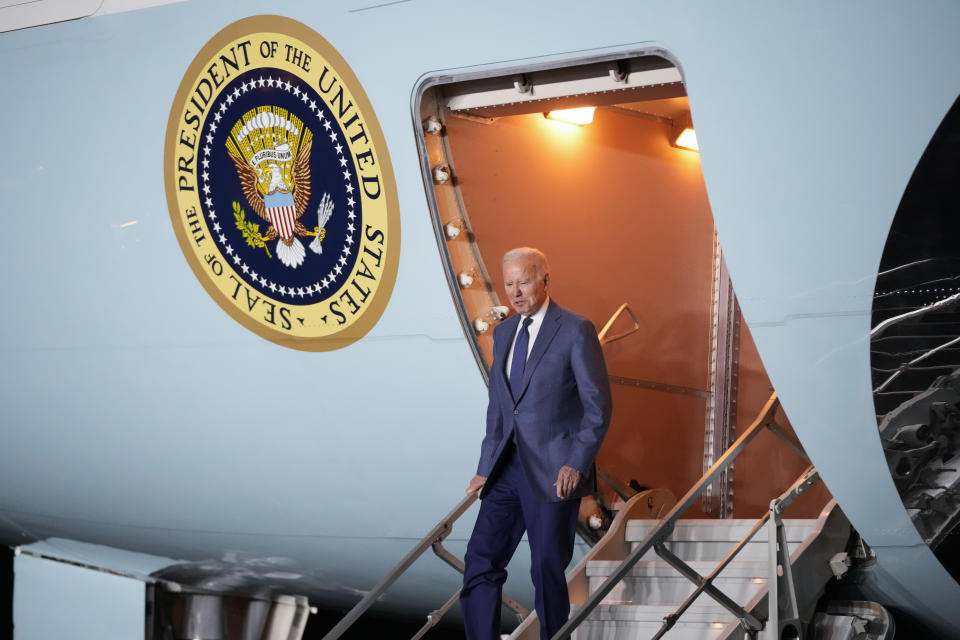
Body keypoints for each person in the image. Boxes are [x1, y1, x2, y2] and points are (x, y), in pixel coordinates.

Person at [461, 247, 612, 640]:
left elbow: (598, 407)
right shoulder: (504, 332)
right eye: (508, 283)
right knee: (479, 560)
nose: (515, 292)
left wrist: (576, 463)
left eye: (523, 281)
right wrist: (484, 468)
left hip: (554, 471)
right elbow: (499, 409)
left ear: (545, 279)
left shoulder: (575, 330)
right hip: (505, 471)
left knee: (546, 565)